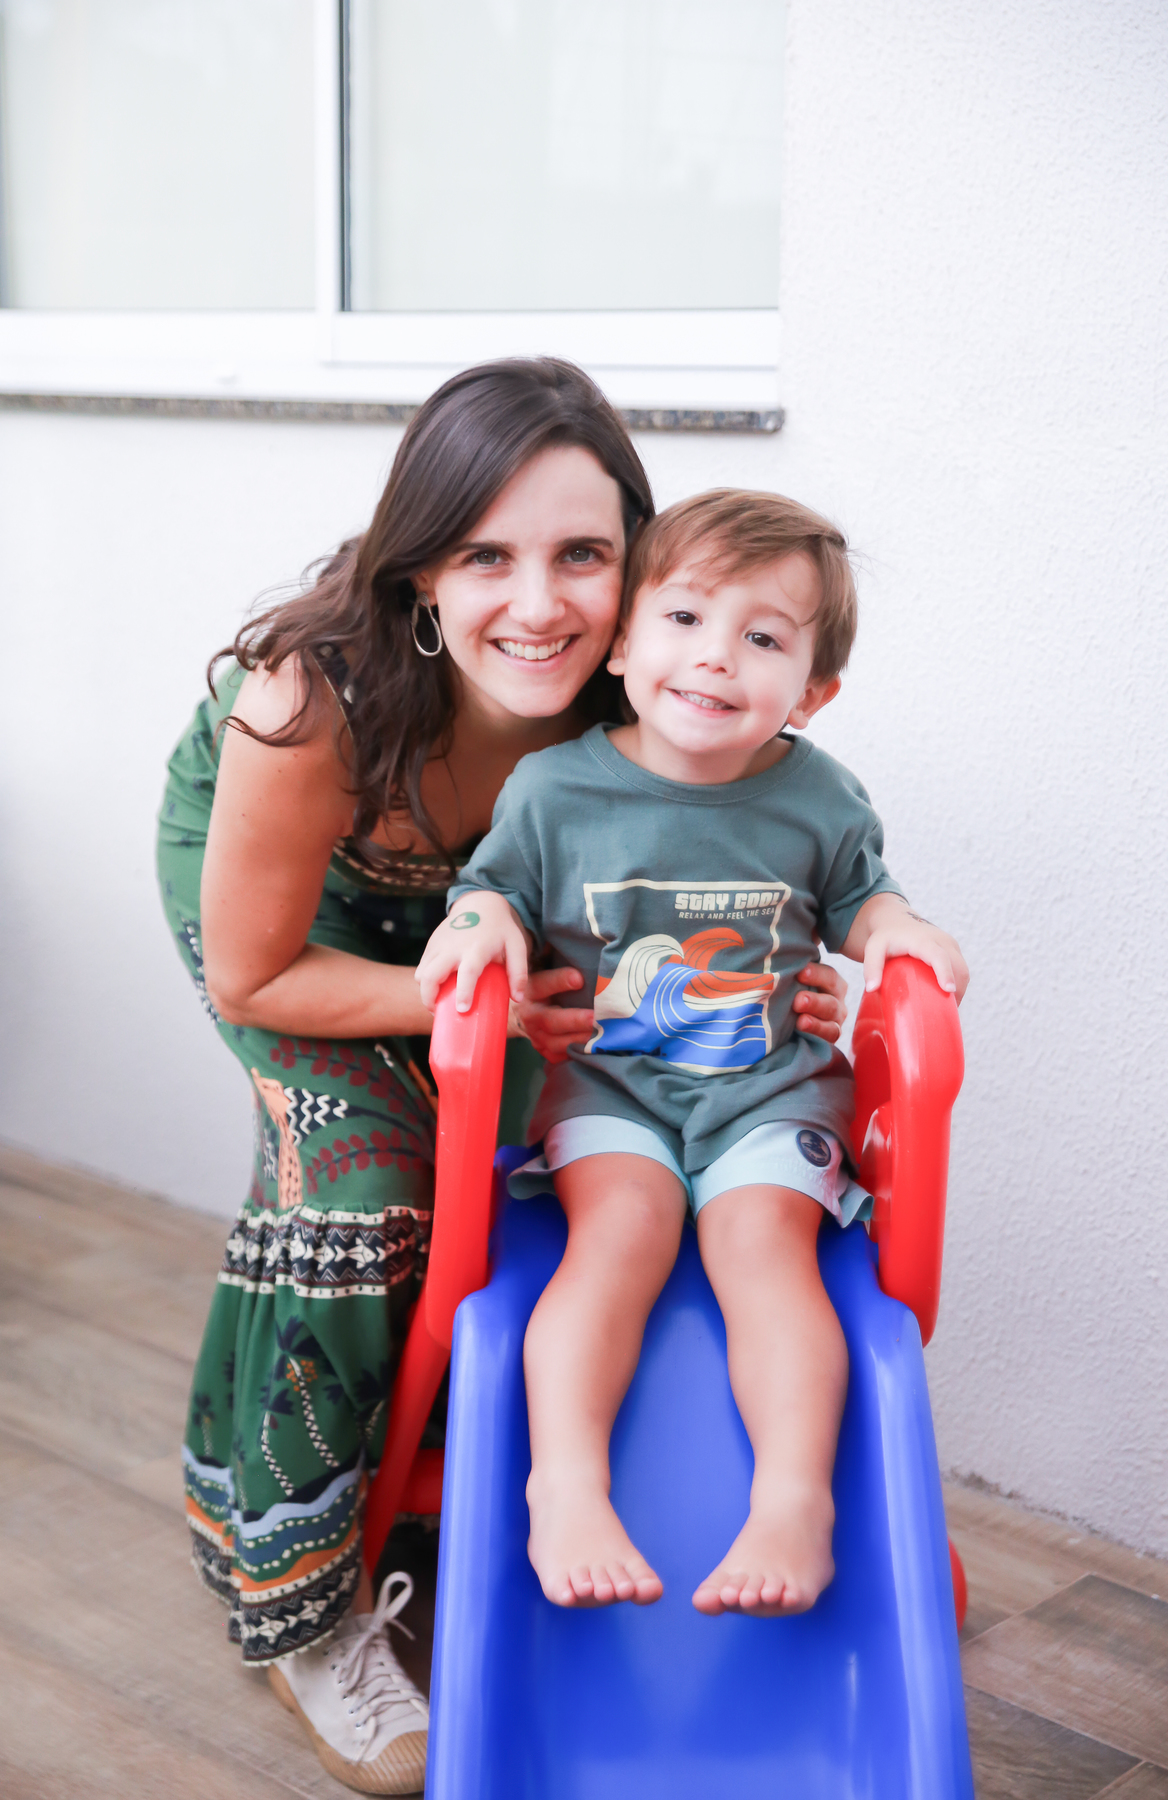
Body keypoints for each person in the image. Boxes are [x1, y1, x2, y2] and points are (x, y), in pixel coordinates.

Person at [156, 367, 849, 1794]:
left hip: (498, 937)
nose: (538, 604)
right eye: (485, 555)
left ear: (636, 564)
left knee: (524, 1165)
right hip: (299, 926)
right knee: (368, 1182)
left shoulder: (643, 669)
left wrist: (815, 966)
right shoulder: (307, 702)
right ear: (421, 567)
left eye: (581, 554)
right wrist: (470, 999)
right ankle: (305, 1600)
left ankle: (440, 1463)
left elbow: (747, 849)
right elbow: (255, 975)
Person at [417, 487, 969, 1622]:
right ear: (622, 643)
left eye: (762, 638)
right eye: (683, 619)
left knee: (765, 1254)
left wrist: (899, 930)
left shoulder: (817, 796)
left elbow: (863, 897)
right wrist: (480, 925)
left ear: (811, 692)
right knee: (616, 1236)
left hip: (769, 1096)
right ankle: (565, 1485)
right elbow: (492, 889)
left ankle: (793, 1502)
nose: (715, 656)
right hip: (611, 1091)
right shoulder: (556, 789)